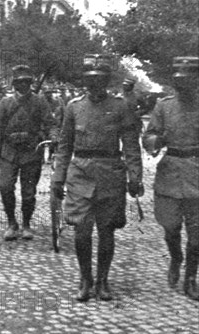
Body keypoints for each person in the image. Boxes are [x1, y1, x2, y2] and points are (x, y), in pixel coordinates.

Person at [51, 54, 143, 302]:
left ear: (106, 81)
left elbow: (132, 146)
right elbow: (64, 145)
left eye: (99, 80)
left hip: (110, 174)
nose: (94, 85)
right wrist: (58, 179)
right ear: (85, 82)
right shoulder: (74, 107)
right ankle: (85, 279)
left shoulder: (120, 107)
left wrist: (135, 177)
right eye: (90, 80)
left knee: (106, 231)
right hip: (79, 174)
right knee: (81, 232)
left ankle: (102, 280)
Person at [143, 56, 199, 301]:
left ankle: (190, 278)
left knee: (197, 235)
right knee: (170, 227)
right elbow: (149, 137)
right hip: (170, 174)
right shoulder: (163, 106)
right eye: (179, 81)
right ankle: (176, 257)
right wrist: (157, 140)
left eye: (188, 80)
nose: (182, 85)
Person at [0, 65, 56, 241]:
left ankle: (26, 224)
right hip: (9, 151)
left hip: (31, 151)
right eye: (18, 82)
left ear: (30, 83)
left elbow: (50, 123)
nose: (22, 85)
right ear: (14, 84)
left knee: (29, 191)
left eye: (25, 82)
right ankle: (11, 223)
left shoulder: (39, 102)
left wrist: (54, 137)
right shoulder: (5, 103)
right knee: (5, 187)